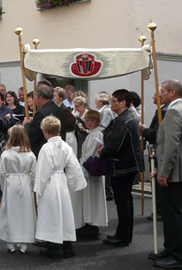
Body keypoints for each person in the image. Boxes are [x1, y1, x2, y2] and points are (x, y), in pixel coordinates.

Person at [150, 79, 182, 269]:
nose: (160, 94)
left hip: (175, 173)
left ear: (173, 92)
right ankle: (171, 249)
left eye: (163, 91)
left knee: (173, 214)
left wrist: (164, 172)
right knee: (170, 214)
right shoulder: (180, 109)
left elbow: (171, 146)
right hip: (177, 170)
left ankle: (178, 256)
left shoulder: (175, 111)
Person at [96, 88, 145, 247]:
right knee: (124, 201)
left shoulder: (125, 120)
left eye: (114, 101)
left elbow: (115, 144)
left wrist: (103, 151)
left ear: (123, 103)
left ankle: (123, 235)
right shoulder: (122, 118)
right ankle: (123, 233)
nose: (111, 104)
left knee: (123, 202)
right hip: (123, 165)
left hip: (123, 166)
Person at [34, 116, 87, 259]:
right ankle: (68, 248)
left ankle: (53, 248)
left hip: (51, 183)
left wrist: (38, 188)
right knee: (64, 214)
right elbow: (73, 166)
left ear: (45, 131)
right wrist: (73, 183)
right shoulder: (66, 146)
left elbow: (43, 170)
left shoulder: (46, 148)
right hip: (62, 182)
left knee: (51, 214)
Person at [0, 124, 36, 253]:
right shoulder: (30, 154)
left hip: (10, 183)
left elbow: (2, 173)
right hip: (25, 183)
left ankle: (11, 241)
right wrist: (32, 187)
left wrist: (3, 188)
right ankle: (24, 242)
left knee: (10, 212)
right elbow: (34, 173)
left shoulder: (6, 154)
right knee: (25, 211)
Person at [76, 108, 108, 238]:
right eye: (87, 120)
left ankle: (92, 225)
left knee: (92, 198)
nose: (89, 122)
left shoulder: (96, 134)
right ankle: (90, 223)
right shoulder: (92, 134)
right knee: (90, 198)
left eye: (92, 120)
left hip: (90, 170)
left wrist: (79, 168)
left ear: (98, 122)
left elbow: (88, 154)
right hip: (89, 169)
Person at [25, 84, 74, 156]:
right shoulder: (61, 111)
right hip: (59, 154)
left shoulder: (41, 114)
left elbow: (30, 137)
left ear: (38, 96)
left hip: (44, 154)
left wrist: (27, 124)